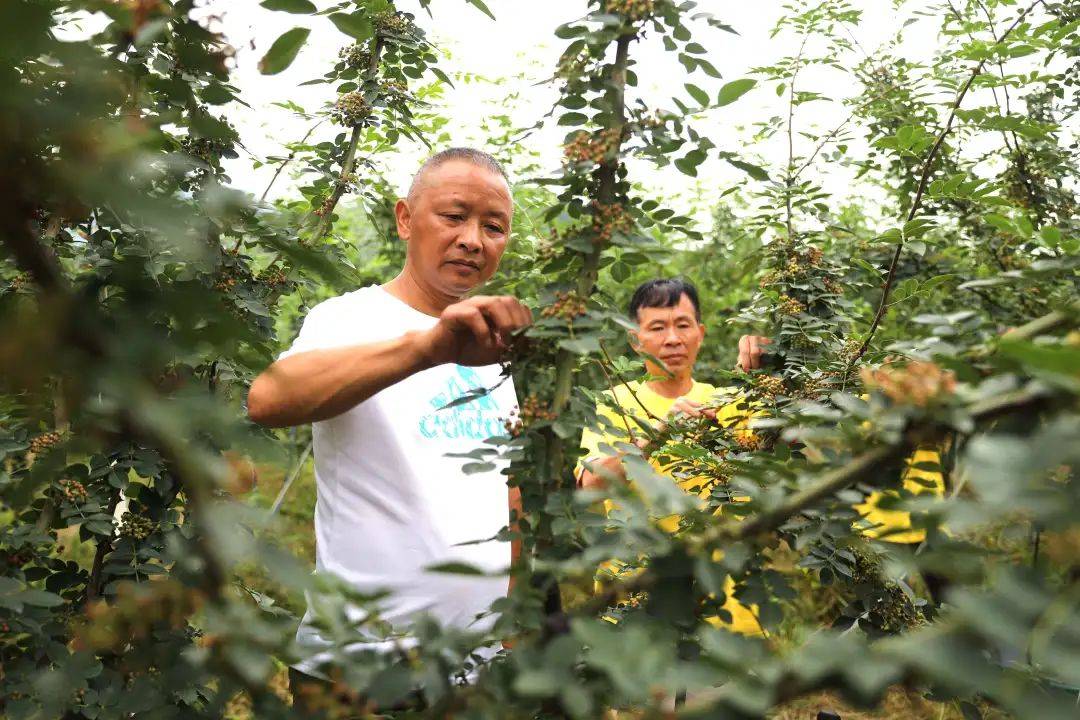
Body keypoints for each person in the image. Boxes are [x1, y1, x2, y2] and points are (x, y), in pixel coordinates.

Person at [247, 148, 532, 698]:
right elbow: (267, 400)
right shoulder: (349, 318)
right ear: (405, 219)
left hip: (476, 671)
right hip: (364, 667)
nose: (473, 239)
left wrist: (512, 627)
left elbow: (507, 489)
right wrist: (427, 348)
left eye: (493, 226)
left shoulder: (492, 347)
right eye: (454, 216)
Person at [575, 278, 771, 636]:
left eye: (683, 325)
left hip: (725, 614)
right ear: (635, 340)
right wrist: (657, 431)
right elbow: (591, 485)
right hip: (637, 609)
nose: (672, 339)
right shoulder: (615, 403)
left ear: (701, 333)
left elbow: (801, 413)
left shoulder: (727, 404)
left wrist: (775, 353)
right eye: (657, 327)